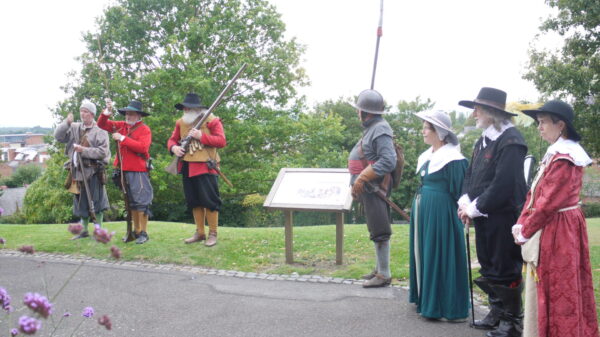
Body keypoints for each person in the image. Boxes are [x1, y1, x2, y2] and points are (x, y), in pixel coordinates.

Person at [512, 100, 599, 337]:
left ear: (560, 125)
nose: (539, 128)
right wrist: (521, 222)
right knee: (551, 286)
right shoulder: (554, 154)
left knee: (561, 287)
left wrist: (526, 230)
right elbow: (534, 193)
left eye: (542, 123)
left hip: (561, 230)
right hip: (553, 225)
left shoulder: (567, 158)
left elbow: (548, 202)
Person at [457, 87, 527, 337]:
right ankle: (497, 312)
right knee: (488, 265)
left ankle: (512, 321)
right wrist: (465, 201)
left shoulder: (512, 141)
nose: (474, 114)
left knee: (505, 267)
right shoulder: (483, 139)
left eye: (478, 109)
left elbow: (504, 184)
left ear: (490, 112)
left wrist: (475, 208)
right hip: (483, 215)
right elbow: (471, 174)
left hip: (503, 217)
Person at [409, 110, 469, 321]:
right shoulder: (428, 156)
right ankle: (426, 299)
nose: (423, 131)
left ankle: (445, 305)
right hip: (424, 211)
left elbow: (461, 191)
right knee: (425, 252)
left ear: (439, 132)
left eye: (426, 128)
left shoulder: (454, 159)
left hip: (442, 215)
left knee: (440, 254)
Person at [347, 89, 396, 288]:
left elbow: (388, 160)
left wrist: (363, 177)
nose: (357, 113)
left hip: (375, 186)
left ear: (365, 113)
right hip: (369, 187)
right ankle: (379, 269)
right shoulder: (374, 127)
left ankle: (384, 274)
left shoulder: (380, 129)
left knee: (380, 228)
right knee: (375, 228)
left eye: (359, 110)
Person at [168, 93, 226, 247]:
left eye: (189, 107)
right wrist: (174, 148)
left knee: (210, 201)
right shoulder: (180, 122)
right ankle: (200, 233)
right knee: (194, 201)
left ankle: (212, 233)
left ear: (198, 109)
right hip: (187, 166)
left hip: (206, 166)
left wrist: (201, 136)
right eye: (185, 107)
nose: (186, 110)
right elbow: (172, 140)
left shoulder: (212, 121)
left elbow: (221, 141)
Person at [97, 99, 153, 244]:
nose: (128, 116)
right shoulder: (121, 125)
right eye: (127, 113)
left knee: (141, 202)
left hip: (138, 170)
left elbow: (142, 148)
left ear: (139, 116)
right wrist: (107, 112)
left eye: (132, 114)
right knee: (131, 203)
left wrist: (122, 138)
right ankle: (135, 231)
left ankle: (143, 232)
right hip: (123, 170)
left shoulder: (144, 129)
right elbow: (102, 124)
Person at [55, 100, 110, 239]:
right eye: (81, 111)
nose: (82, 114)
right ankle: (83, 231)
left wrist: (83, 150)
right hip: (77, 171)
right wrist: (66, 123)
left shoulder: (101, 131)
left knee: (97, 202)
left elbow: (102, 152)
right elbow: (59, 137)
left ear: (92, 114)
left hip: (94, 171)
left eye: (85, 111)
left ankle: (99, 231)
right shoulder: (74, 127)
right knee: (81, 202)